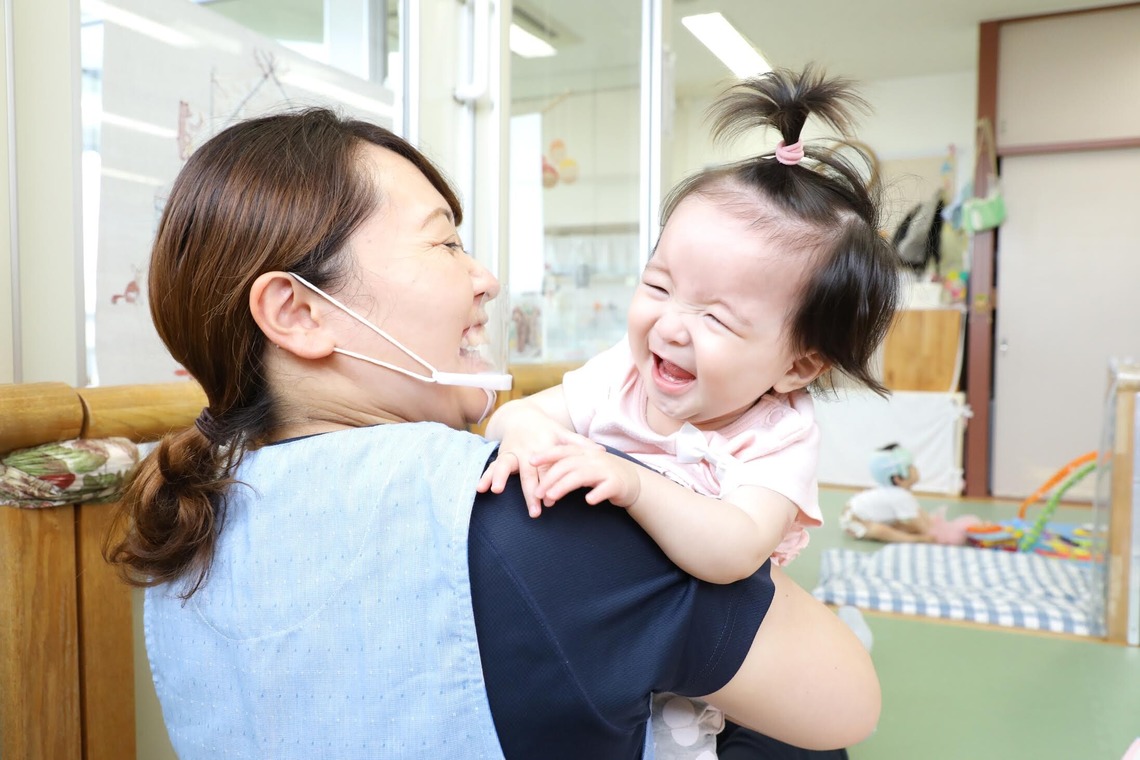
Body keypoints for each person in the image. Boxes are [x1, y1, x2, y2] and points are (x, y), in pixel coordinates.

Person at [105, 107, 879, 760]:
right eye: (444, 243)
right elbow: (845, 702)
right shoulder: (522, 508)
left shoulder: (186, 522)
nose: (485, 278)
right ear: (299, 313)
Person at [477, 66, 899, 759]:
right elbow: (511, 420)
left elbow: (733, 552)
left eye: (716, 317)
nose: (672, 326)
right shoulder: (621, 375)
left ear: (798, 364)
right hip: (610, 636)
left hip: (725, 657)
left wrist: (637, 483)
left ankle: (841, 635)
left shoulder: (779, 435)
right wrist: (526, 431)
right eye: (659, 285)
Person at [841, 443, 977, 545]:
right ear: (898, 478)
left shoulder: (901, 495)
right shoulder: (901, 497)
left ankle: (904, 533)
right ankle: (911, 540)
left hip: (856, 511)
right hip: (854, 520)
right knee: (880, 530)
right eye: (910, 467)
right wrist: (931, 534)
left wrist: (930, 523)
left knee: (901, 524)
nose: (915, 469)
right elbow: (923, 527)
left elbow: (917, 514)